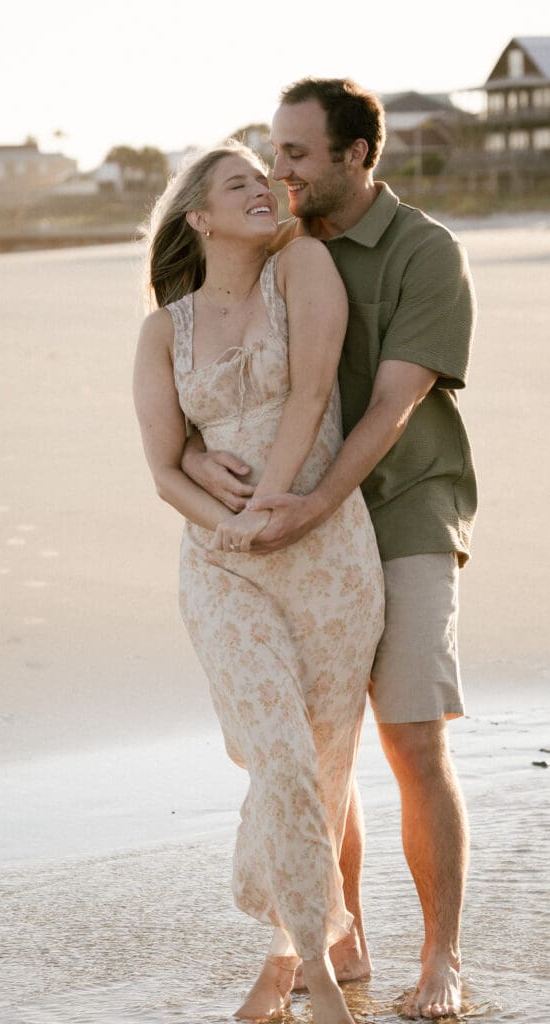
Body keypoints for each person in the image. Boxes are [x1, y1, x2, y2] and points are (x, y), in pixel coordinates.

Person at [182, 79, 477, 1021]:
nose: (279, 171)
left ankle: (441, 959)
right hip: (293, 518)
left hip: (400, 512)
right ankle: (337, 941)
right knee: (317, 745)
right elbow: (205, 367)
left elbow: (392, 405)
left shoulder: (424, 252)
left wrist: (309, 503)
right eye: (274, 152)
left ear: (357, 155)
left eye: (298, 154)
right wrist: (193, 456)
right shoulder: (270, 247)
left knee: (410, 735)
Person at [133, 140, 384, 1024]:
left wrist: (276, 504)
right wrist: (230, 521)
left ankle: (281, 957)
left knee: (316, 768)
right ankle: (317, 971)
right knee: (275, 751)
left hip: (326, 554)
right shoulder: (165, 329)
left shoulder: (303, 267)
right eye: (237, 184)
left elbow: (313, 393)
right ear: (198, 217)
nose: (263, 191)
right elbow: (164, 468)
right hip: (224, 564)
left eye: (264, 181)